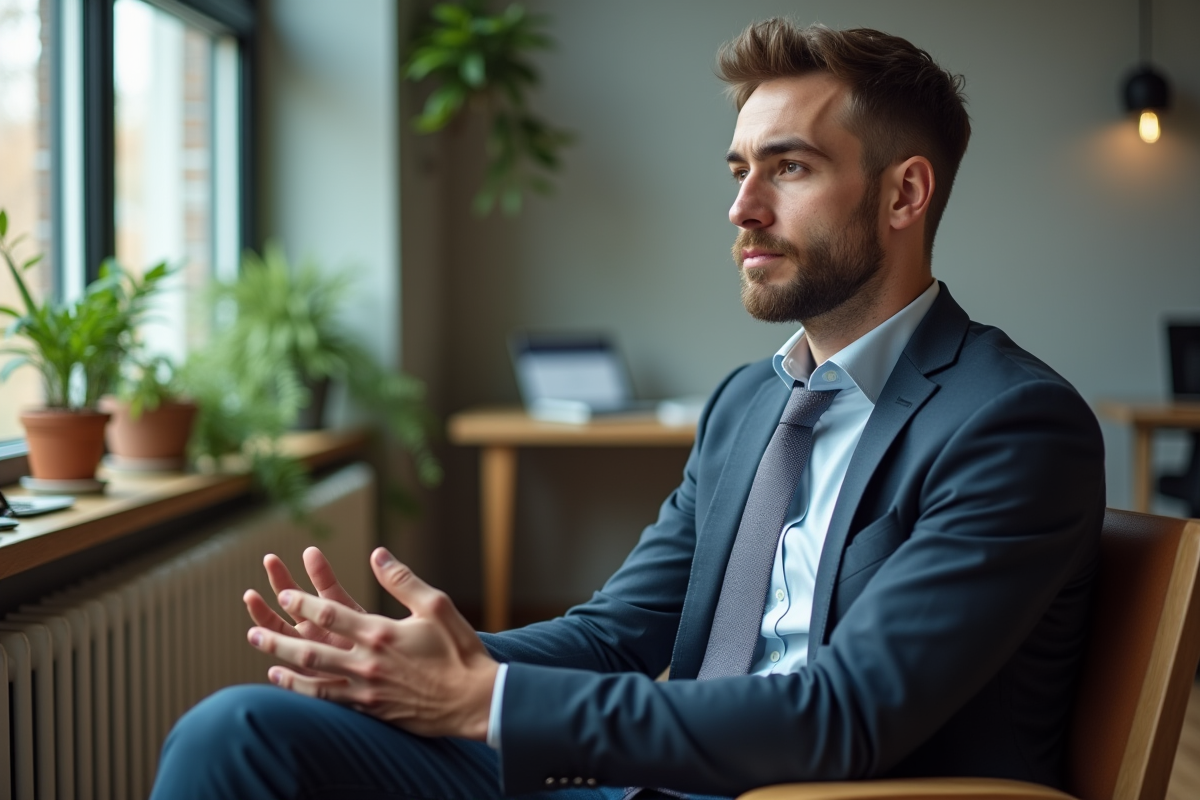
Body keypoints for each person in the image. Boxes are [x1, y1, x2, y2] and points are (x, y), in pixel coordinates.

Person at [150, 19, 1104, 800]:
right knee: (242, 733)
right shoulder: (749, 404)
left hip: (828, 791)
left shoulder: (1012, 426)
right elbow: (619, 631)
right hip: (655, 777)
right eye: (739, 170)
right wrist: (425, 659)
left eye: (791, 168)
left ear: (905, 193)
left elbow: (845, 717)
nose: (742, 209)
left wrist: (485, 703)